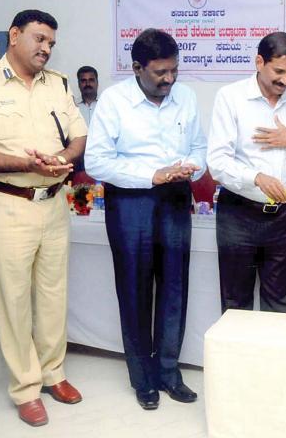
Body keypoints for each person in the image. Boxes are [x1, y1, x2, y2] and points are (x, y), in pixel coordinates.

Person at [0, 9, 87, 427]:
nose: (46, 49)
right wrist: (25, 165)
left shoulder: (59, 84)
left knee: (53, 295)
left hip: (54, 201)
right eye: (39, 39)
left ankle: (53, 372)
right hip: (7, 203)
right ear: (14, 35)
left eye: (51, 42)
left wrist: (62, 160)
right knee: (13, 300)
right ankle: (25, 387)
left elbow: (79, 135)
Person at [84, 28, 206, 411]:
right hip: (131, 202)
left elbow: (200, 148)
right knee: (135, 290)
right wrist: (151, 175)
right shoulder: (113, 101)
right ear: (137, 68)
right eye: (160, 73)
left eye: (174, 71)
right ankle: (142, 379)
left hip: (174, 199)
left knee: (174, 289)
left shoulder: (185, 97)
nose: (169, 80)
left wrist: (191, 168)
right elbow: (97, 161)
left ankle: (169, 372)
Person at [207, 31, 286, 314]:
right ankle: (237, 361)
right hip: (239, 216)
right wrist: (256, 177)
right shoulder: (231, 98)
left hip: (283, 218)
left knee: (282, 306)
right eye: (279, 72)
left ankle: (276, 360)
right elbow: (217, 162)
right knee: (236, 306)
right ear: (259, 62)